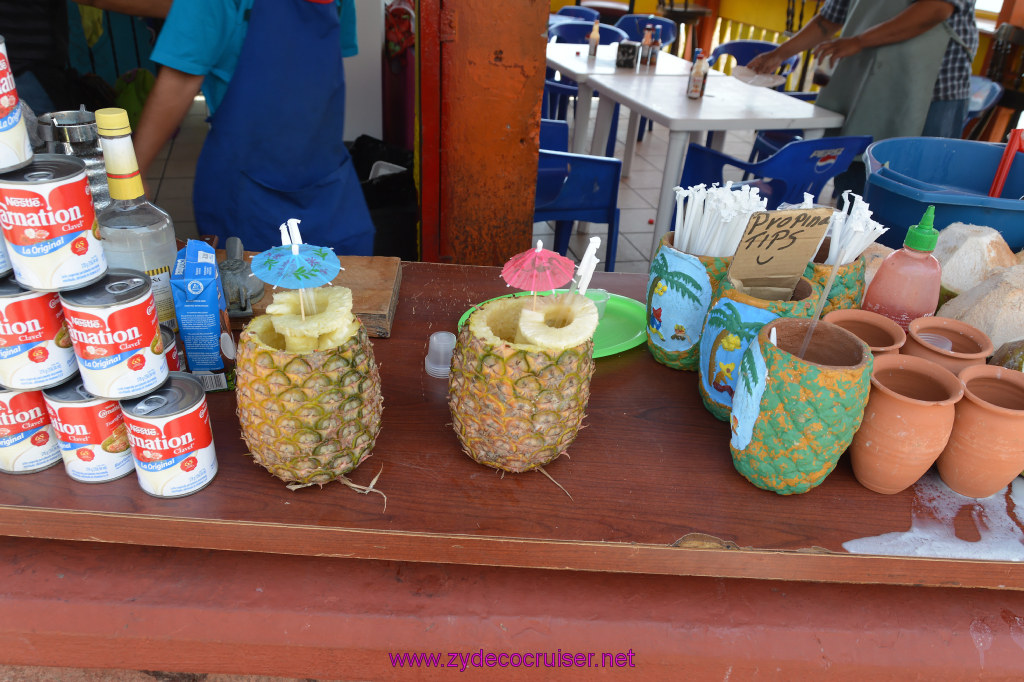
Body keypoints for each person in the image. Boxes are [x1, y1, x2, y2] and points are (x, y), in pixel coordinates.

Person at [132, 0, 375, 255]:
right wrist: (133, 174)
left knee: (350, 279)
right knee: (254, 285)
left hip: (327, 181)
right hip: (247, 192)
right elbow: (180, 80)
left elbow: (323, 61)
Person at [748, 1, 978, 141]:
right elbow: (829, 20)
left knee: (914, 180)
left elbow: (936, 8)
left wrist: (859, 41)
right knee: (853, 174)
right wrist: (779, 54)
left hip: (933, 95)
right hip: (866, 86)